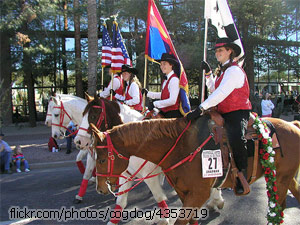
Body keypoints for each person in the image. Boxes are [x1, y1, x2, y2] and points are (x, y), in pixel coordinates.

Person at [187, 37, 252, 195]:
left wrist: (201, 108)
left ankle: (241, 174)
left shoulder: (234, 71)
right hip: (222, 112)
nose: (217, 53)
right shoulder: (224, 72)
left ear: (230, 51)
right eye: (216, 51)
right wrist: (209, 74)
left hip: (237, 112)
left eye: (220, 50)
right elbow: (213, 89)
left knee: (236, 136)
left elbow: (221, 93)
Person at [142, 53, 182, 118]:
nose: (162, 66)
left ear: (171, 65)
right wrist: (148, 93)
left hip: (172, 115)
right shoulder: (165, 79)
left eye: (164, 64)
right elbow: (164, 95)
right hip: (164, 112)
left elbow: (172, 100)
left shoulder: (174, 80)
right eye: (161, 64)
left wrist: (155, 104)